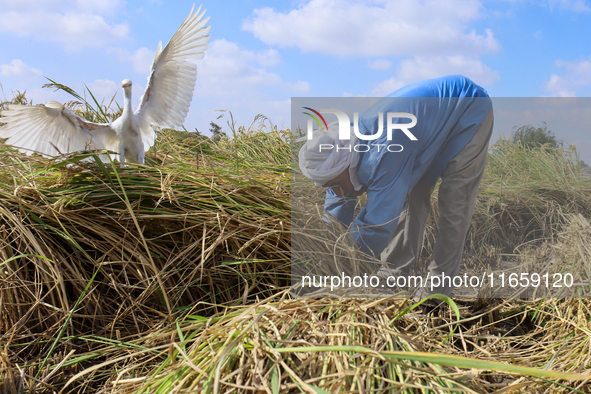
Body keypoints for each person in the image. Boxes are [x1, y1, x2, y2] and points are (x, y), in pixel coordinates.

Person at [298, 75, 494, 300]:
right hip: (421, 131)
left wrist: (338, 265)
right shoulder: (338, 152)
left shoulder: (383, 152)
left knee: (455, 205)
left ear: (346, 166)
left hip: (467, 108)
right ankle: (393, 276)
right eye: (330, 187)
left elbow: (377, 225)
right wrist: (319, 254)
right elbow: (334, 218)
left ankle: (436, 293)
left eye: (336, 185)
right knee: (407, 195)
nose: (339, 193)